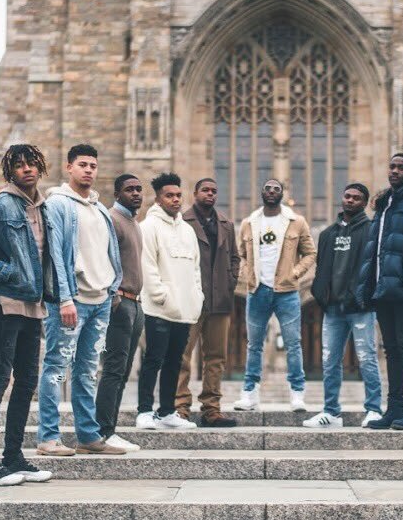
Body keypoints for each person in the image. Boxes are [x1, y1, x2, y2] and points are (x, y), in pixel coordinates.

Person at [0, 144, 59, 487]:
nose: (27, 170)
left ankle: (14, 456)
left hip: (35, 305)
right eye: (19, 165)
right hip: (8, 304)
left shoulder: (43, 209)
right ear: (10, 171)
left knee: (26, 382)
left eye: (32, 164)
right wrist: (10, 274)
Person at [41, 144, 124, 455]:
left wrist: (112, 288)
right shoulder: (59, 204)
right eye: (83, 165)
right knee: (55, 367)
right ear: (69, 168)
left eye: (93, 165)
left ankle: (88, 435)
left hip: (100, 299)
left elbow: (109, 252)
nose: (89, 170)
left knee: (87, 369)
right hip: (71, 300)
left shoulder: (100, 208)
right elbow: (55, 255)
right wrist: (63, 298)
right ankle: (48, 437)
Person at [357, 154, 403, 429]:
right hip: (383, 287)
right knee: (390, 349)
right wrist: (368, 283)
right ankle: (395, 407)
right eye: (392, 167)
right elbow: (375, 249)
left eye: (401, 168)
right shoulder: (383, 204)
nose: (395, 171)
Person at [234, 179, 317, 412]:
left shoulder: (296, 222)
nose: (271, 192)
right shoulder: (249, 223)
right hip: (257, 290)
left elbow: (310, 253)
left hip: (287, 292)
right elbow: (241, 254)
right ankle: (249, 394)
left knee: (293, 344)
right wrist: (246, 272)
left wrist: (295, 273)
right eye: (268, 188)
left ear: (282, 193)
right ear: (262, 192)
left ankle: (297, 395)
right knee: (254, 345)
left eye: (276, 189)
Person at [306, 183, 383, 428]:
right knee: (329, 360)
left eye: (356, 198)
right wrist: (320, 295)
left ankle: (373, 409)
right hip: (333, 309)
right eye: (347, 196)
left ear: (364, 202)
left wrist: (364, 297)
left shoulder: (371, 230)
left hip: (360, 308)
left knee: (367, 358)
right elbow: (321, 270)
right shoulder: (328, 234)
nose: (350, 200)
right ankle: (331, 412)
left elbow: (373, 270)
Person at [135, 173, 205, 428]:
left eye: (178, 195)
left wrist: (196, 298)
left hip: (185, 309)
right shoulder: (148, 227)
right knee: (153, 359)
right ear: (158, 198)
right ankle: (144, 411)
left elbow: (195, 269)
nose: (175, 200)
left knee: (176, 361)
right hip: (159, 309)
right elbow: (147, 266)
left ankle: (166, 412)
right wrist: (161, 297)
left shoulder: (187, 230)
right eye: (169, 196)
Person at [177, 177, 240, 427]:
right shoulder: (182, 221)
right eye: (205, 190)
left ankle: (211, 409)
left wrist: (230, 281)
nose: (210, 194)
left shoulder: (226, 223)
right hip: (191, 299)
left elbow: (235, 257)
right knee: (183, 355)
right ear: (195, 193)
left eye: (214, 191)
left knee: (216, 357)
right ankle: (180, 407)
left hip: (220, 300)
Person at [93, 174, 146, 451]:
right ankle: (103, 429)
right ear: (117, 193)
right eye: (130, 189)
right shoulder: (112, 220)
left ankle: (110, 427)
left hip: (135, 303)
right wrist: (112, 298)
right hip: (120, 302)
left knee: (124, 370)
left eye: (139, 189)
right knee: (114, 368)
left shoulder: (134, 223)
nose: (136, 193)